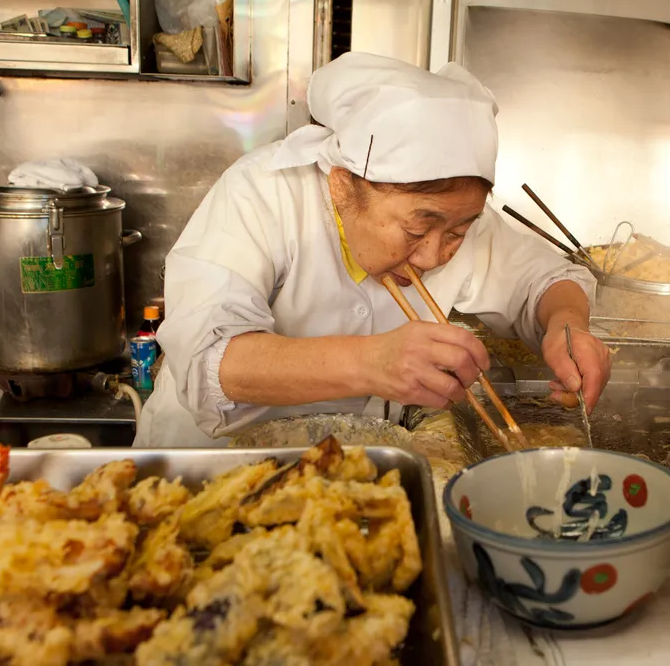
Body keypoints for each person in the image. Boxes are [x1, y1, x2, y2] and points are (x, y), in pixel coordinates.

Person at [134, 52, 611, 447]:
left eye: (458, 232)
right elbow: (208, 361)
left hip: (343, 472)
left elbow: (542, 279)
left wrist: (567, 327)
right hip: (203, 467)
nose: (433, 256)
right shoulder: (263, 195)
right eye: (416, 229)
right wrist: (370, 362)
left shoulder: (448, 214)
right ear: (342, 187)